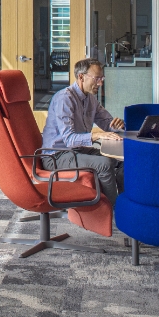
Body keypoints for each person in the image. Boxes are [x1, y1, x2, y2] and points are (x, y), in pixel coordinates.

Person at [40, 58, 125, 206]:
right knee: (104, 164)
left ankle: (126, 205)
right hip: (56, 155)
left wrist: (117, 127)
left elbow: (107, 123)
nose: (100, 83)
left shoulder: (90, 99)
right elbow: (69, 139)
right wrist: (96, 135)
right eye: (97, 78)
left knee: (123, 162)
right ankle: (112, 211)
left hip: (76, 150)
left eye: (101, 78)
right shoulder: (64, 99)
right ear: (81, 77)